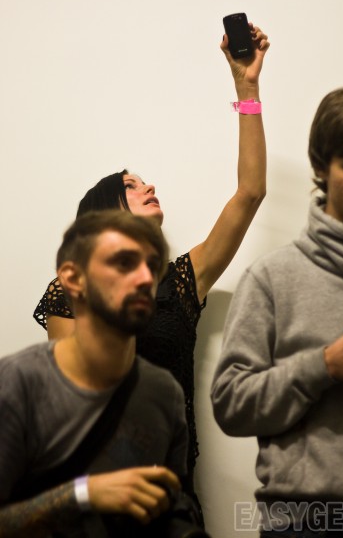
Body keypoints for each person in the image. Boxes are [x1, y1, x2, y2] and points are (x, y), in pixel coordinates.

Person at [33, 22, 270, 508]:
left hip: (173, 496)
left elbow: (250, 193)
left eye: (143, 181)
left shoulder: (182, 281)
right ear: (105, 212)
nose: (148, 186)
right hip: (98, 497)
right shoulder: (71, 289)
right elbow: (68, 400)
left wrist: (246, 88)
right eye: (131, 185)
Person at [211, 87, 343, 537]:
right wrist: (323, 366)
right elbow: (231, 405)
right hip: (305, 522)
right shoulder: (273, 278)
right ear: (320, 167)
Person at [0, 210, 210, 538]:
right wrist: (83, 495)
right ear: (73, 279)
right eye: (124, 263)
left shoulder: (164, 392)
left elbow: (171, 506)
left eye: (153, 266)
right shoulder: (18, 382)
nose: (145, 278)